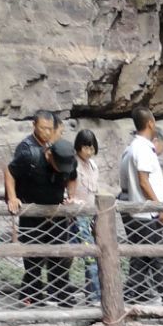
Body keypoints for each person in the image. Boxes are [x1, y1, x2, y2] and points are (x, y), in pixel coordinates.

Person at [5, 112, 77, 308]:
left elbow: (72, 177)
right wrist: (13, 197)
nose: (46, 132)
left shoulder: (67, 155)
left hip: (56, 216)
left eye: (49, 129)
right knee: (34, 260)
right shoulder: (29, 153)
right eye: (42, 128)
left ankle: (61, 294)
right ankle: (33, 299)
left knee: (59, 256)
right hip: (32, 215)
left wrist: (70, 196)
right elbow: (10, 172)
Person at [119, 106, 163, 306]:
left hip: (141, 212)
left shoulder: (134, 147)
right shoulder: (143, 149)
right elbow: (143, 181)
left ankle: (131, 296)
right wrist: (160, 208)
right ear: (150, 123)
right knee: (155, 256)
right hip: (145, 213)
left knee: (142, 258)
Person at [67, 129, 100, 305]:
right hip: (77, 217)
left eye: (91, 147)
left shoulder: (94, 166)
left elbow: (94, 192)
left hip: (90, 215)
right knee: (83, 255)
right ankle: (93, 296)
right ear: (78, 147)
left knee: (89, 254)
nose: (89, 151)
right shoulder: (74, 165)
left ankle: (93, 293)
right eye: (85, 147)